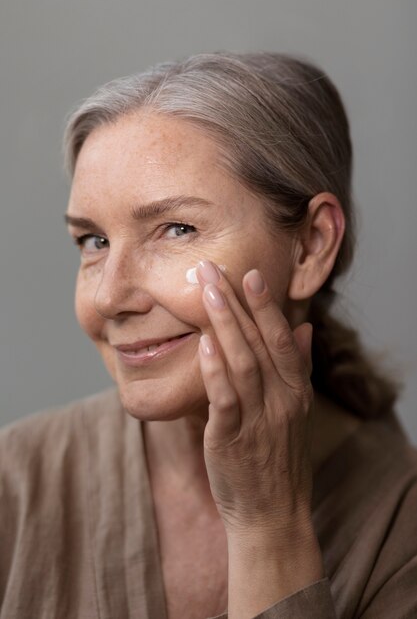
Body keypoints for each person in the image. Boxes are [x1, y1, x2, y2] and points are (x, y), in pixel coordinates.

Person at [0, 52, 416, 619]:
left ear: (312, 245)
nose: (109, 298)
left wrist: (269, 529)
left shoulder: (402, 529)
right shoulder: (13, 483)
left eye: (176, 229)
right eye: (94, 241)